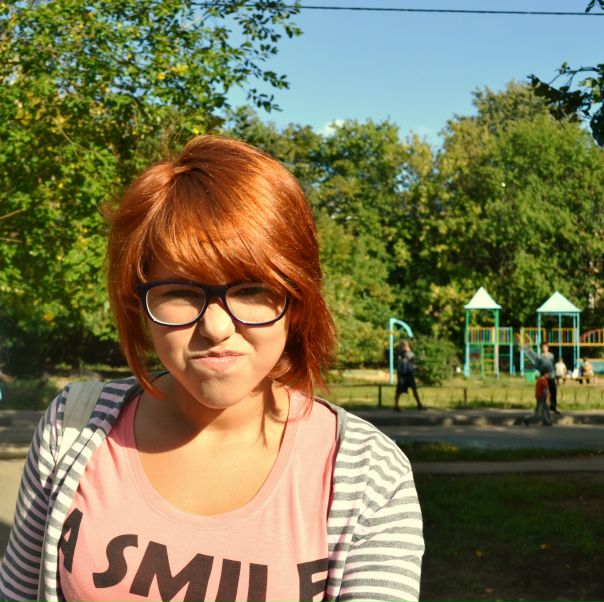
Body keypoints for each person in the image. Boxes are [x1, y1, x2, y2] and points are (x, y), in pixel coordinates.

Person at [0, 136, 424, 602]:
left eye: (251, 289)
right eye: (180, 291)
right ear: (139, 303)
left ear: (297, 301)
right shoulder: (71, 427)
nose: (216, 327)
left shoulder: (369, 477)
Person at [394, 340, 425, 411]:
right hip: (402, 373)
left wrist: (417, 367)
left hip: (409, 373)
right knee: (399, 389)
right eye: (404, 345)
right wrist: (404, 351)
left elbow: (412, 362)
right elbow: (399, 359)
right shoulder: (399, 353)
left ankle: (419, 404)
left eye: (406, 345)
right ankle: (396, 406)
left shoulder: (410, 353)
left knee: (414, 388)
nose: (406, 347)